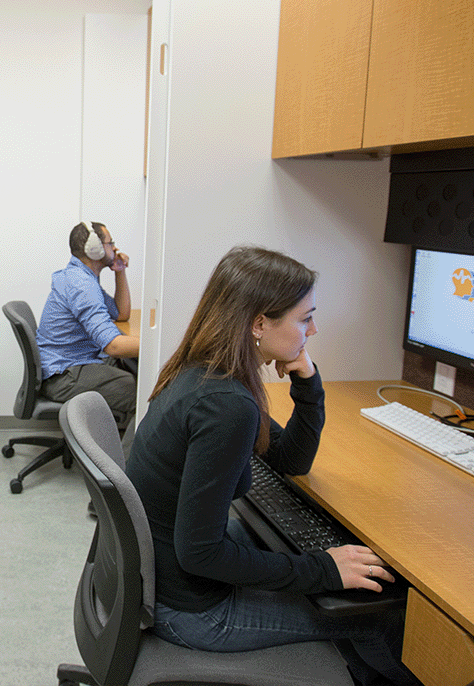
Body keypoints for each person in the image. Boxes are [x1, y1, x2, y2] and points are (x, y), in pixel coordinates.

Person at [124, 246, 419, 686]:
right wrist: (323, 568)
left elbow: (290, 460)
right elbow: (200, 553)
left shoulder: (210, 370)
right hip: (191, 611)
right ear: (260, 323)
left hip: (165, 580)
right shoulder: (227, 406)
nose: (313, 329)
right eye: (305, 318)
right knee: (380, 617)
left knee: (319, 572)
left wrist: (307, 380)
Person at [36, 221, 140, 432]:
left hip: (72, 364)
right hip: (65, 376)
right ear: (96, 250)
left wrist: (119, 271)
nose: (115, 249)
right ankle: (128, 464)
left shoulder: (82, 277)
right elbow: (113, 347)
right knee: (142, 391)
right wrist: (163, 344)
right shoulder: (82, 285)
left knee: (132, 366)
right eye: (111, 243)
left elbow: (121, 313)